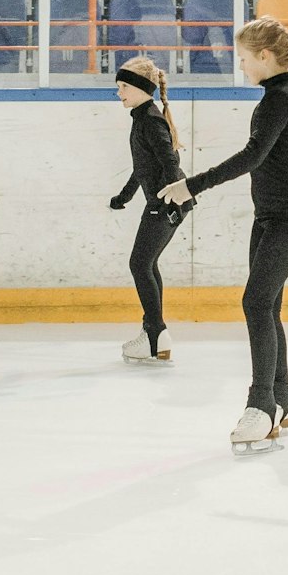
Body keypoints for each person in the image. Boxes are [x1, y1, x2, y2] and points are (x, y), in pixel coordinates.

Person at [158, 18, 288, 454]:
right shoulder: (281, 97)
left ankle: (261, 405)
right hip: (273, 215)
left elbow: (252, 156)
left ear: (265, 56)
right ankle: (282, 394)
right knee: (267, 303)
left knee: (256, 302)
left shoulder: (279, 99)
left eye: (244, 59)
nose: (241, 67)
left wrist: (191, 184)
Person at [107, 55, 192, 364]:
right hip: (164, 201)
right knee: (146, 264)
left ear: (142, 89)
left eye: (124, 87)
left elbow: (170, 160)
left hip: (166, 203)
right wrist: (124, 196)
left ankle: (155, 334)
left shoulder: (150, 119)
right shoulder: (143, 117)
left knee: (140, 264)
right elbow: (141, 167)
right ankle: (156, 336)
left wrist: (175, 198)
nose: (119, 93)